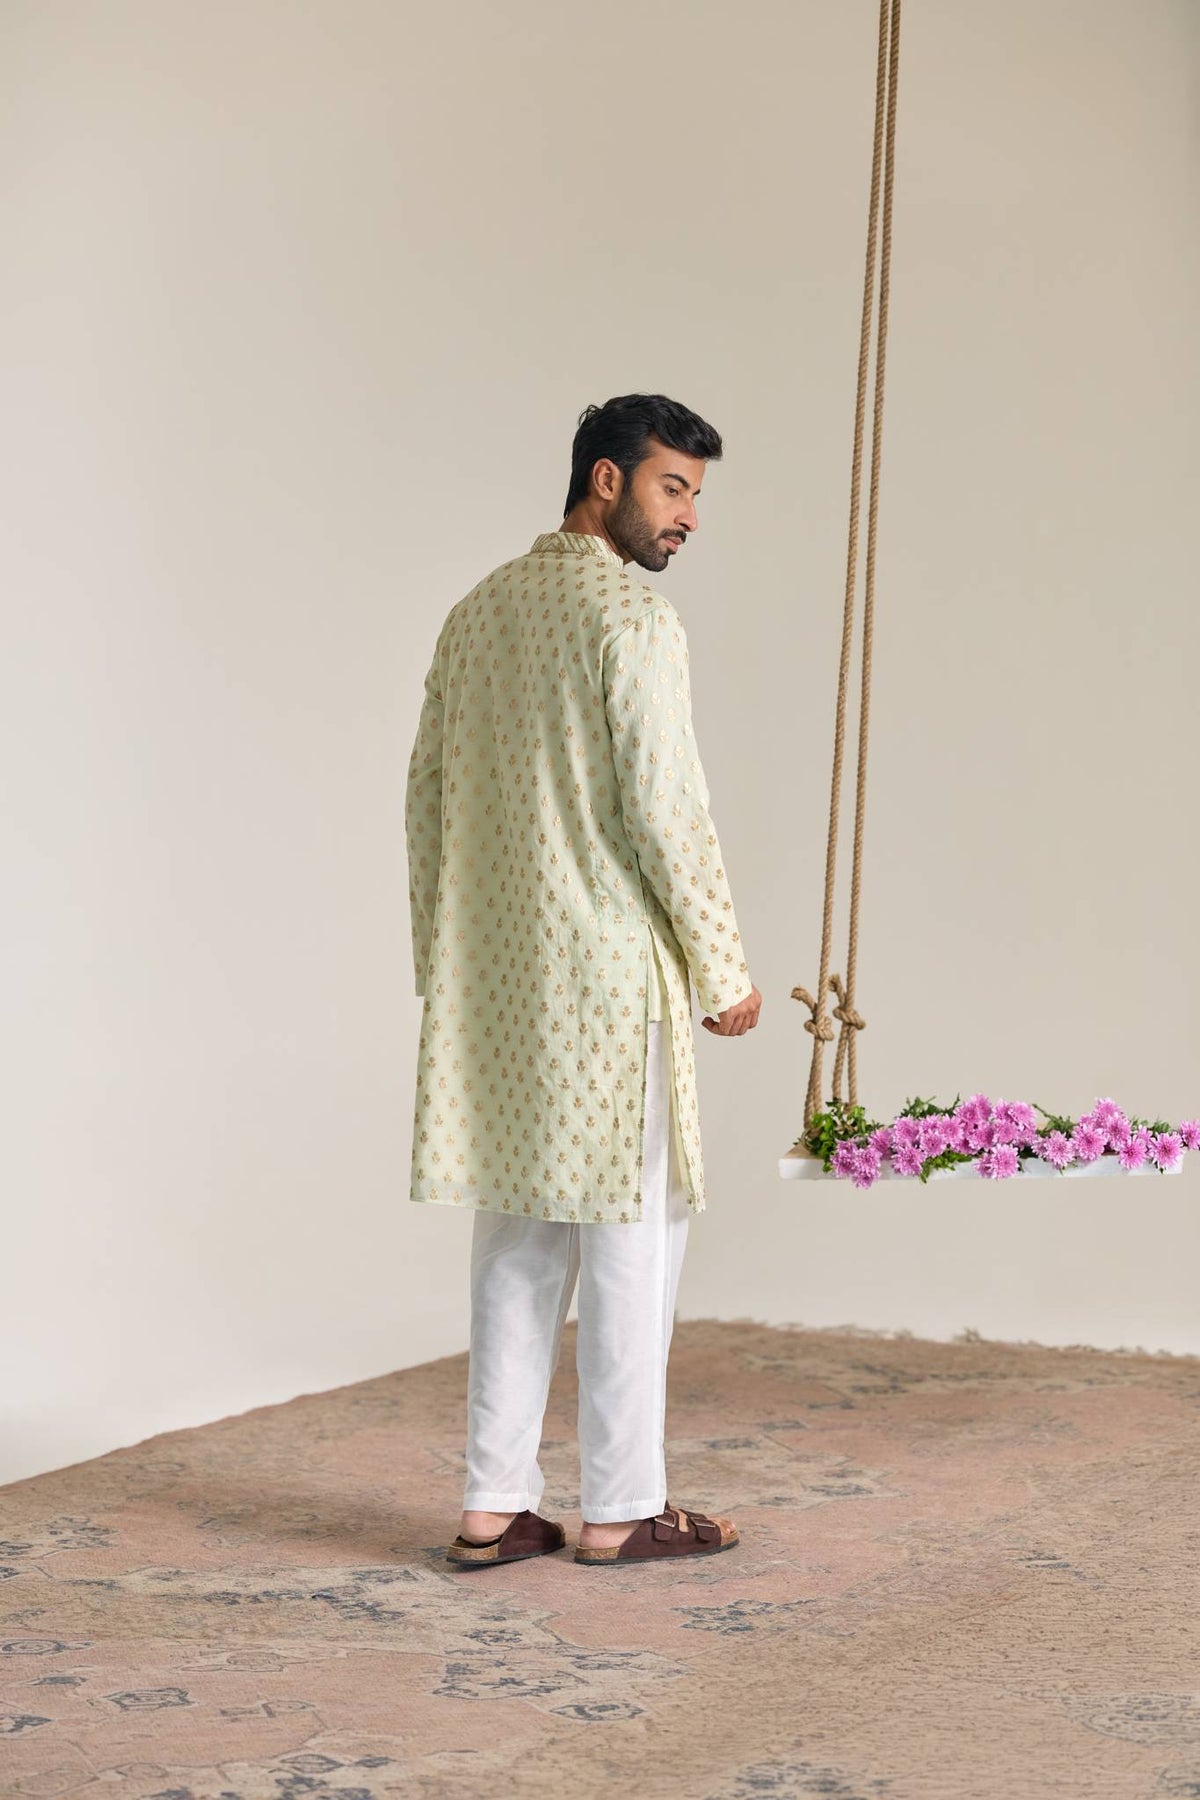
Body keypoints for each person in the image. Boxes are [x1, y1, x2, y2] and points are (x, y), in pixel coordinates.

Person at [405, 393, 762, 1568]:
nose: (689, 517)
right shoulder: (631, 617)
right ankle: (619, 1510)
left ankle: (493, 1507)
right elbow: (669, 810)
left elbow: (426, 796)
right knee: (631, 1244)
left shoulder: (477, 612)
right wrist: (723, 967)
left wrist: (445, 963)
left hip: (499, 985)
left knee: (516, 1240)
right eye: (673, 487)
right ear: (606, 480)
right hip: (610, 984)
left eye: (696, 494)